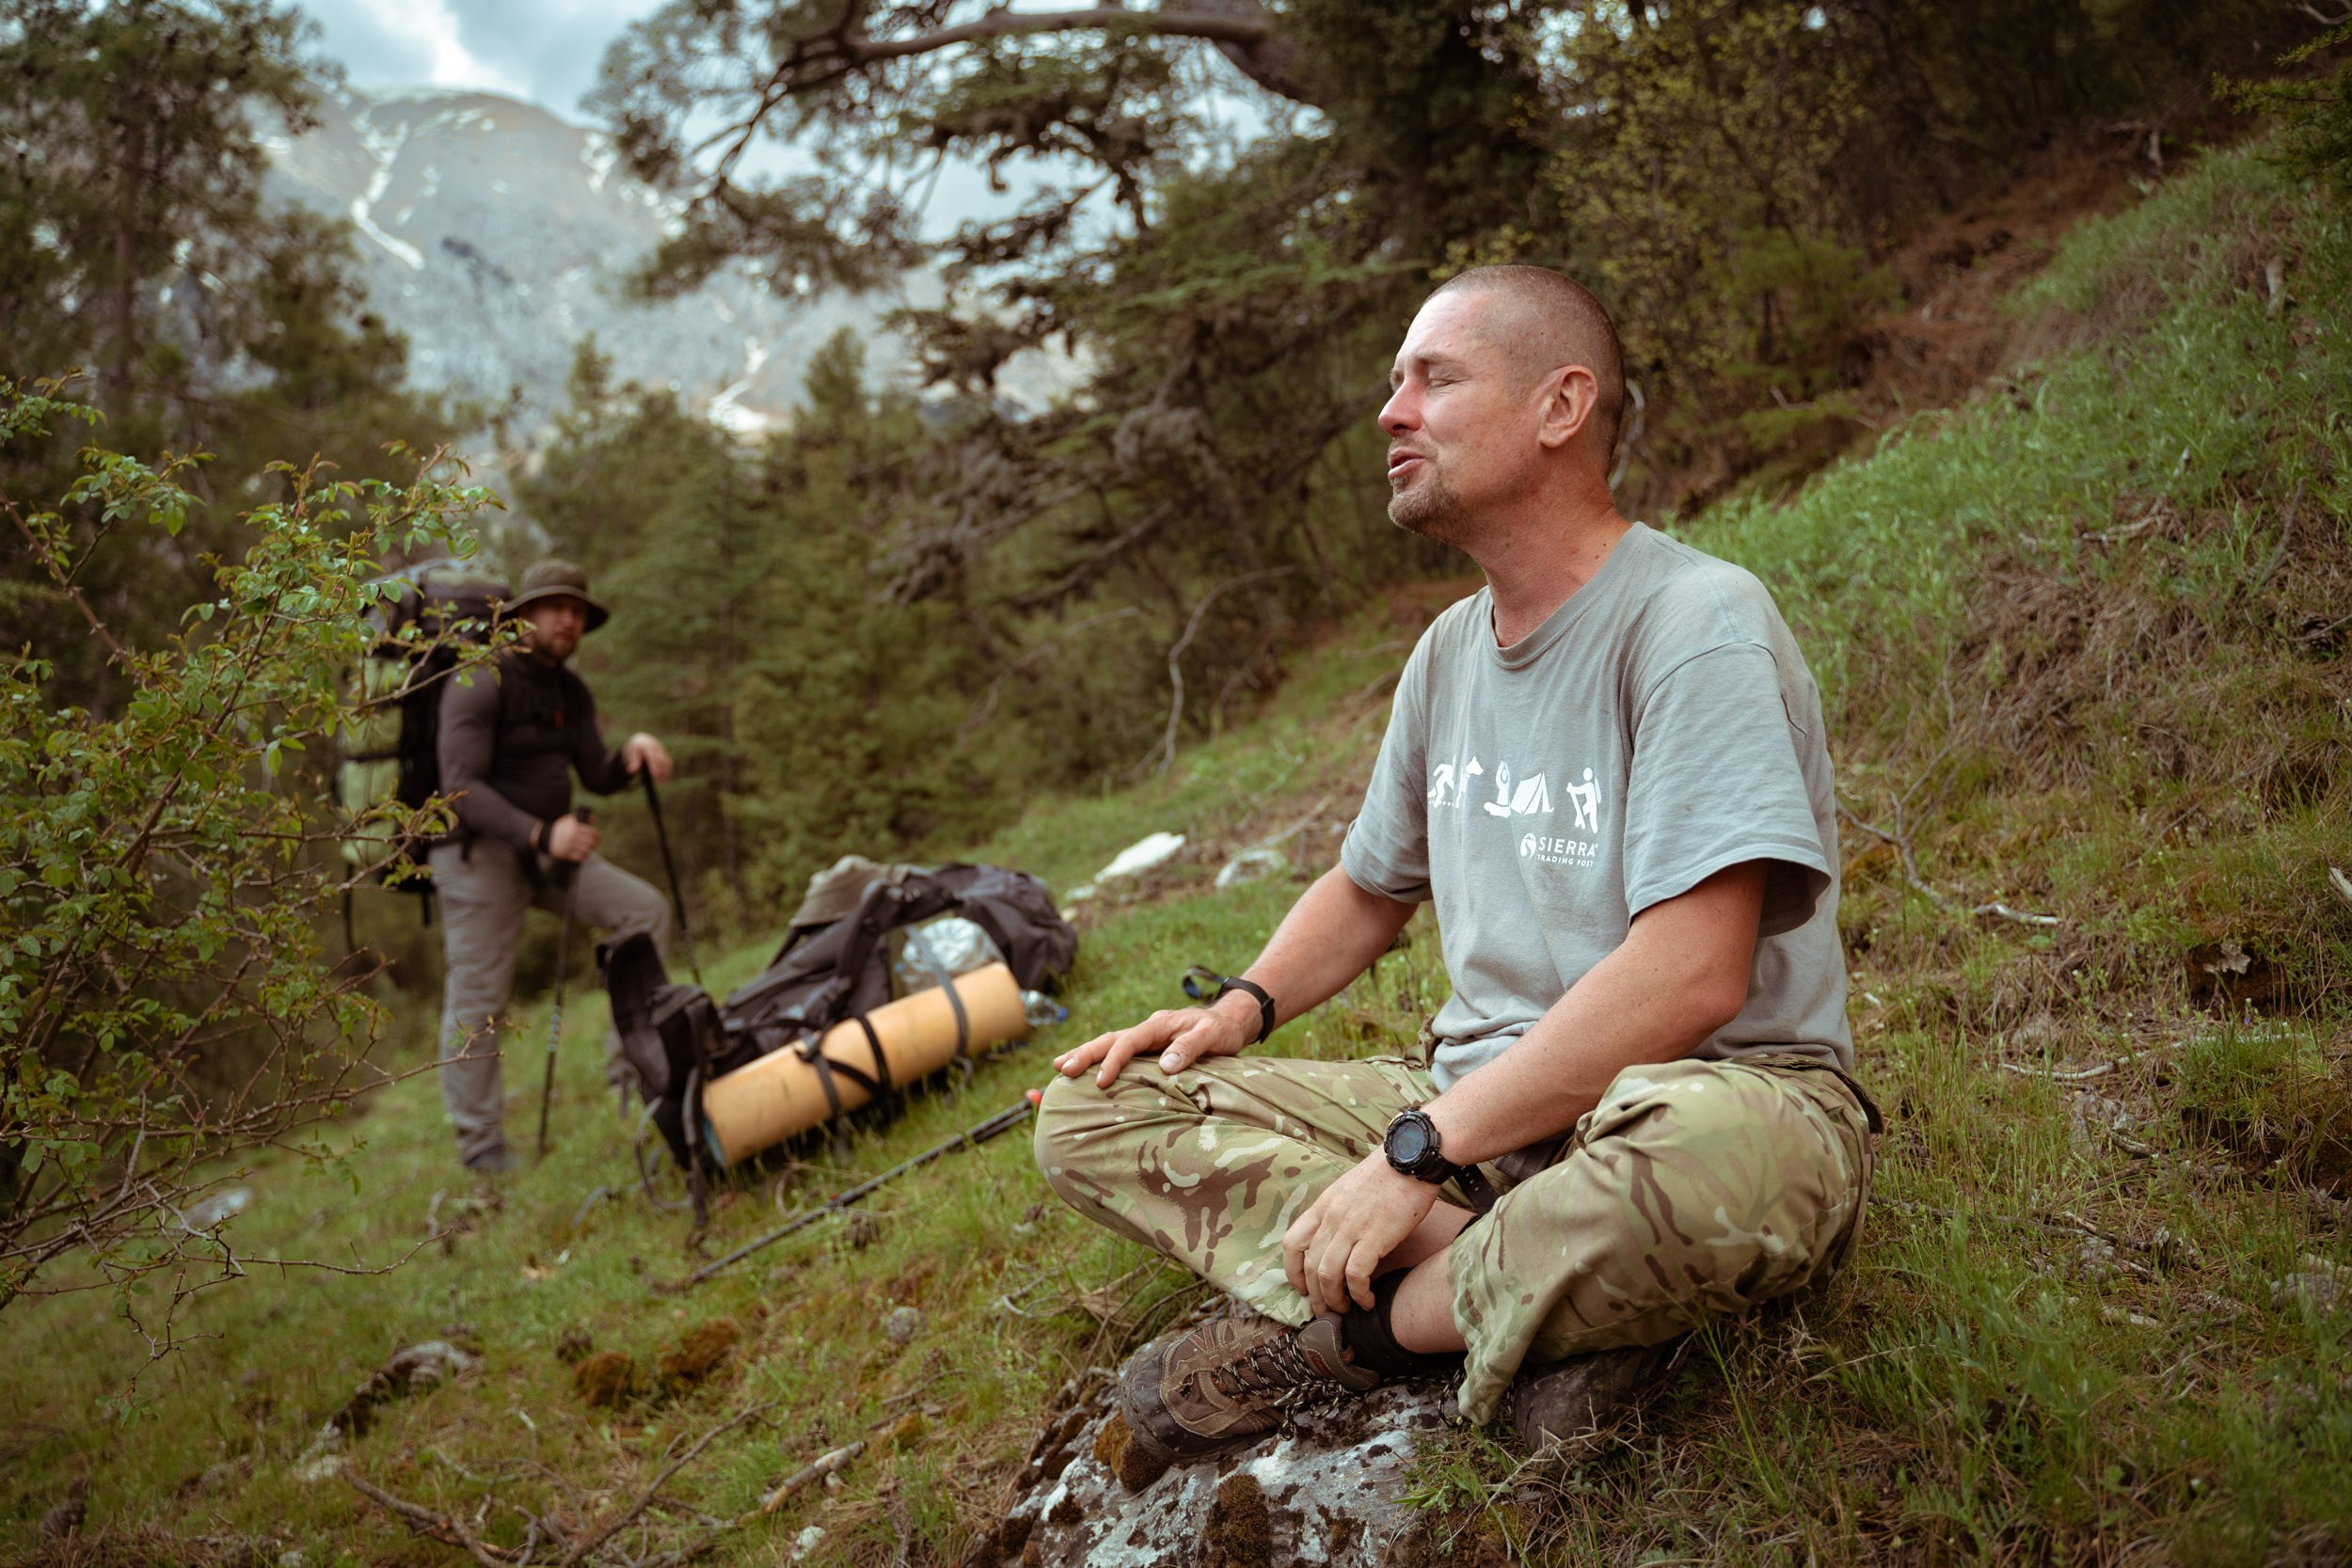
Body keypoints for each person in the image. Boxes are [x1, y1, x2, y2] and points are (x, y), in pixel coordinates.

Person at [1033, 266, 1880, 1473]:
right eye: (1392, 382)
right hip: (1479, 1121)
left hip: (1704, 1095)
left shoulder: (1697, 622)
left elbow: (1694, 975)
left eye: (1433, 377)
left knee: (1715, 1164)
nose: (1392, 411)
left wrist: (1407, 1157)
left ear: (1559, 407)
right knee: (1090, 1105)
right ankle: (1538, 1299)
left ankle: (1359, 1335)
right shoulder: (1445, 655)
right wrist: (1238, 1008)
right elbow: (1370, 885)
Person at [432, 560, 676, 1173]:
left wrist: (634, 753)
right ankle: (481, 1143)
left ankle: (633, 1074)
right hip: (478, 855)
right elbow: (458, 785)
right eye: (555, 606)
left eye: (578, 611)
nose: (568, 619)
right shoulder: (480, 678)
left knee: (642, 911)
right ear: (524, 614)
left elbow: (596, 771)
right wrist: (543, 833)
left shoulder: (570, 690)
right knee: (479, 996)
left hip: (551, 853)